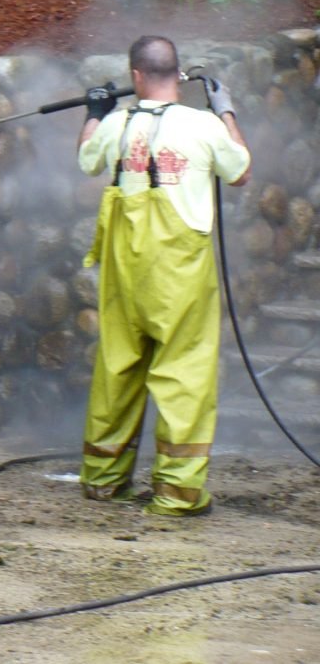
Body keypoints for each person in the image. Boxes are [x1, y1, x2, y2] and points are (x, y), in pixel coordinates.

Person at [76, 35, 251, 517]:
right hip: (180, 278)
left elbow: (87, 158)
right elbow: (240, 171)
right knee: (184, 372)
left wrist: (94, 110)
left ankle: (104, 481)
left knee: (118, 368)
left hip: (125, 275)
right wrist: (226, 111)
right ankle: (176, 492)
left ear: (135, 77)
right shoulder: (204, 126)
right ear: (178, 75)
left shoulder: (115, 124)